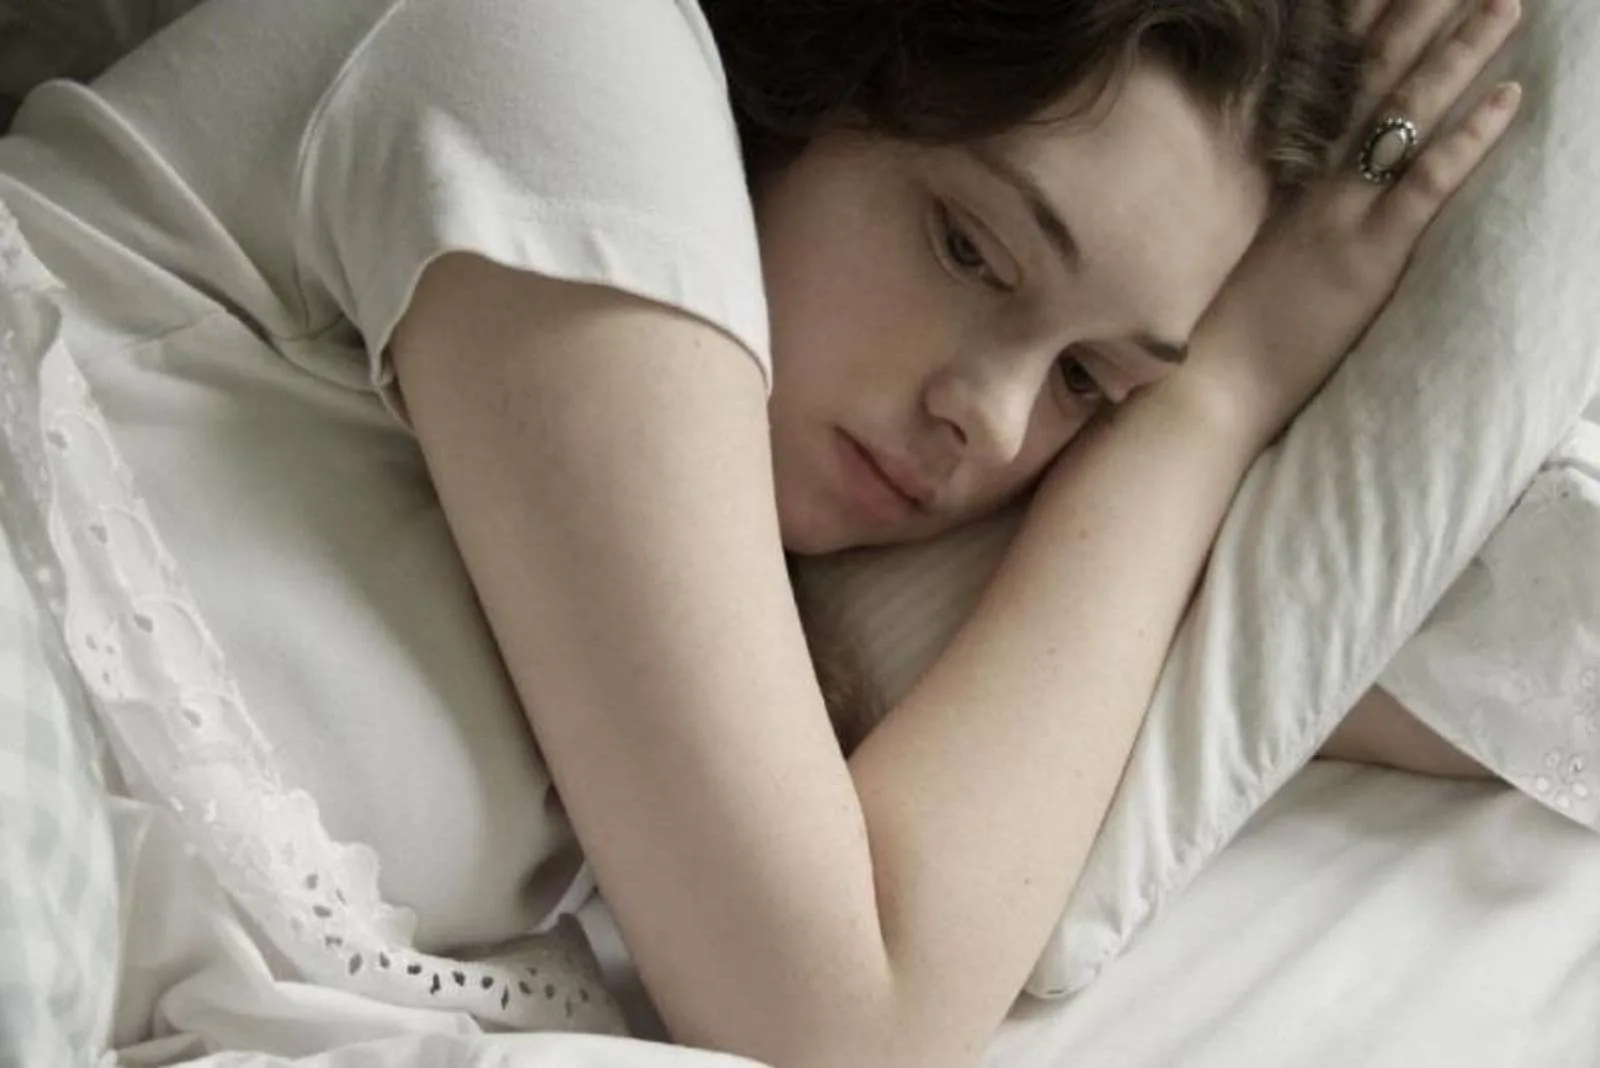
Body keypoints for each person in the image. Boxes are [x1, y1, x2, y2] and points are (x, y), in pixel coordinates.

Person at [0, 0, 1520, 1064]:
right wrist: (1213, 404)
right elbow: (847, 1017)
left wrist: (1196, 411)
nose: (991, 425)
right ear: (818, 70)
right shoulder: (571, 44)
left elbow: (1421, 694)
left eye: (1085, 381)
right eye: (970, 247)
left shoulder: (722, 598)